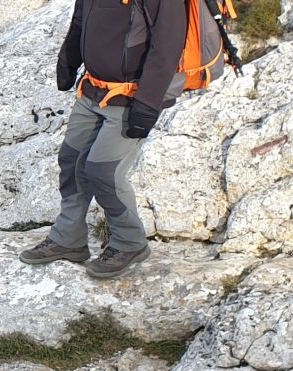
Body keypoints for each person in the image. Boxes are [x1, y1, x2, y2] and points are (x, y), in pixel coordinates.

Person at [18, 0, 187, 278]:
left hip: (130, 99)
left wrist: (147, 104)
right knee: (71, 161)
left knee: (103, 171)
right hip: (92, 91)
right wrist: (68, 62)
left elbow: (167, 45)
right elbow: (80, 21)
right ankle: (68, 238)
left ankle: (129, 241)